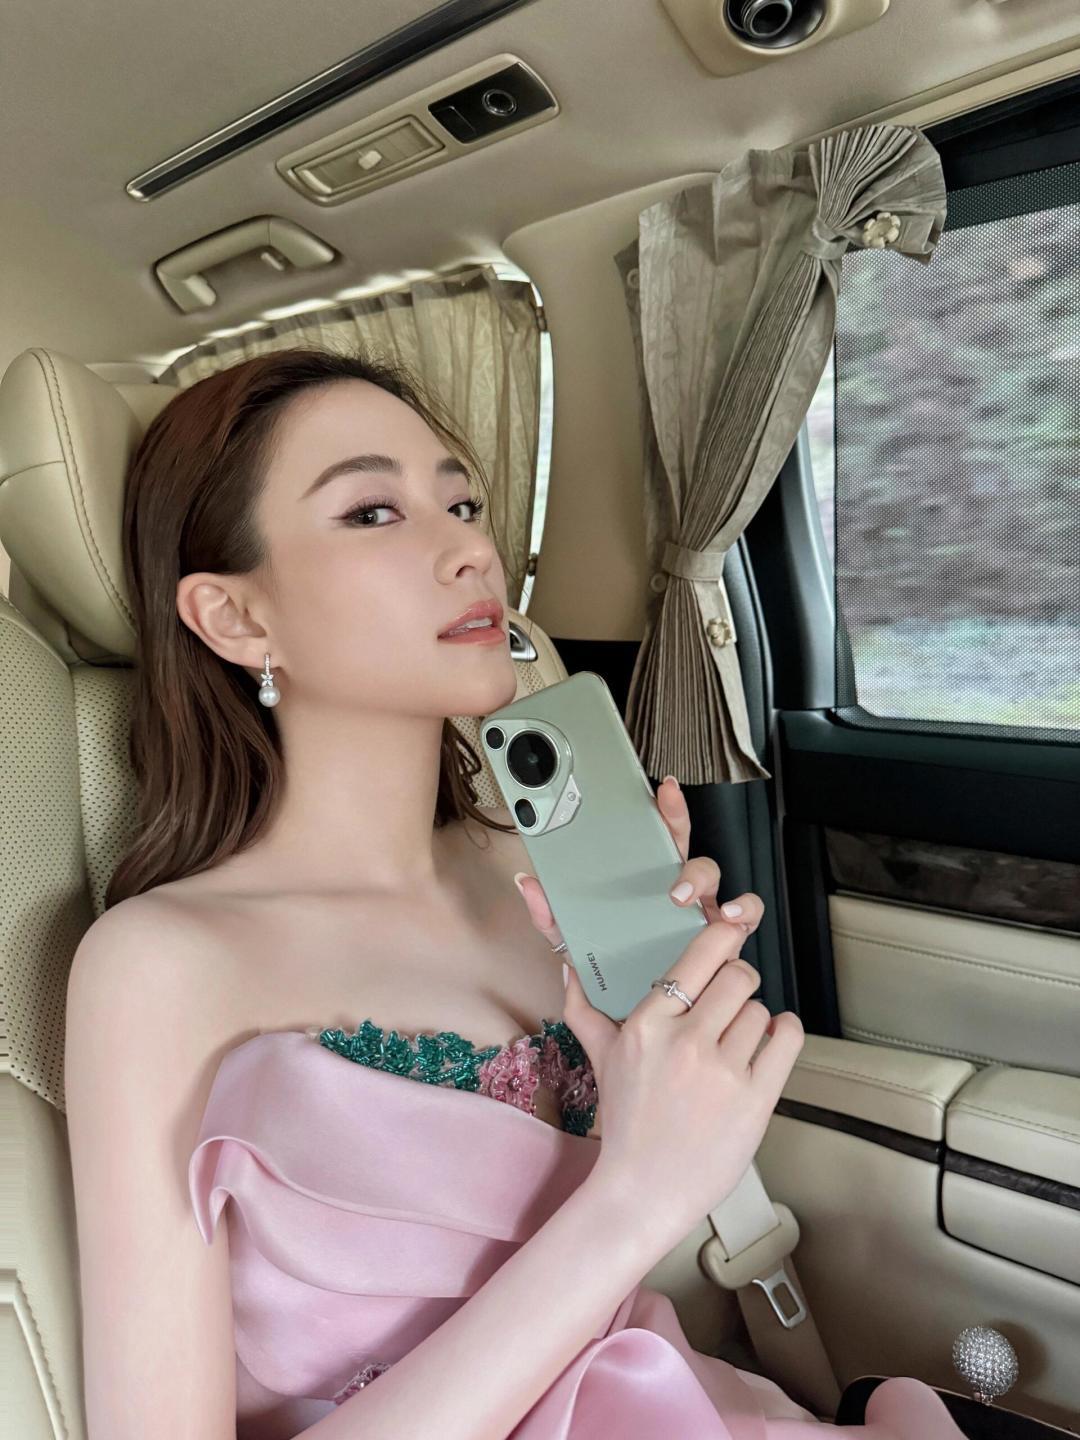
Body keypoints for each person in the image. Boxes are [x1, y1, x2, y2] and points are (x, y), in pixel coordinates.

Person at [64, 348, 967, 1439]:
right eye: (372, 512)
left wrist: (659, 1023)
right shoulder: (159, 965)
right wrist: (635, 1196)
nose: (471, 551)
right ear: (235, 618)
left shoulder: (530, 873)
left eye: (463, 503)